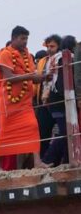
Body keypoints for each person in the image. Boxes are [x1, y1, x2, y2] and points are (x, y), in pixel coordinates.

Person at [0, 26, 50, 168]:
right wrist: (31, 76)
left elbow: (34, 79)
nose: (25, 42)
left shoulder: (28, 55)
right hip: (10, 102)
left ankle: (37, 162)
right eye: (22, 38)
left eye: (26, 39)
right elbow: (9, 78)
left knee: (32, 126)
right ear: (14, 38)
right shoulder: (5, 54)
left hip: (25, 103)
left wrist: (44, 77)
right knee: (5, 133)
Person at [43, 35, 77, 166]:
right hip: (62, 100)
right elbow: (64, 83)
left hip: (53, 99)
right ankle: (48, 159)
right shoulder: (67, 58)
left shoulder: (52, 59)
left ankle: (65, 160)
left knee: (65, 132)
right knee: (66, 132)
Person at [35, 34, 61, 155]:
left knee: (61, 134)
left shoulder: (60, 59)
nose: (49, 49)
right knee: (43, 134)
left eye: (52, 46)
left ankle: (53, 160)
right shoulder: (42, 61)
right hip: (43, 103)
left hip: (57, 102)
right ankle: (43, 161)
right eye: (48, 46)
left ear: (58, 47)